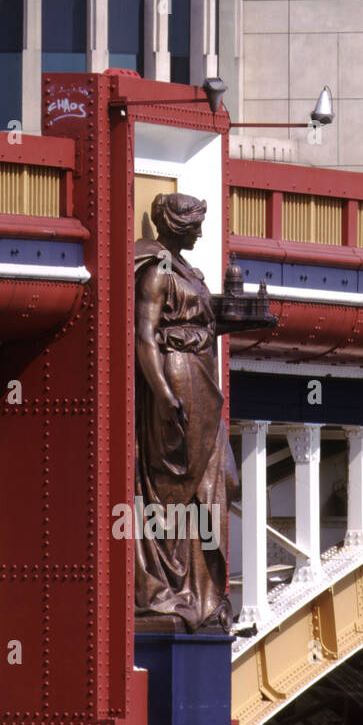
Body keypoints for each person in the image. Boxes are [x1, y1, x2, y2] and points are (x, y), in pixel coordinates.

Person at [134, 192, 238, 633]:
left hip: (202, 374)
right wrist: (161, 393)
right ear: (176, 225)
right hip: (177, 376)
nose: (200, 232)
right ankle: (171, 580)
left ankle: (203, 587)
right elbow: (144, 335)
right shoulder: (158, 271)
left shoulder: (188, 271)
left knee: (222, 478)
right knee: (175, 483)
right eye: (194, 224)